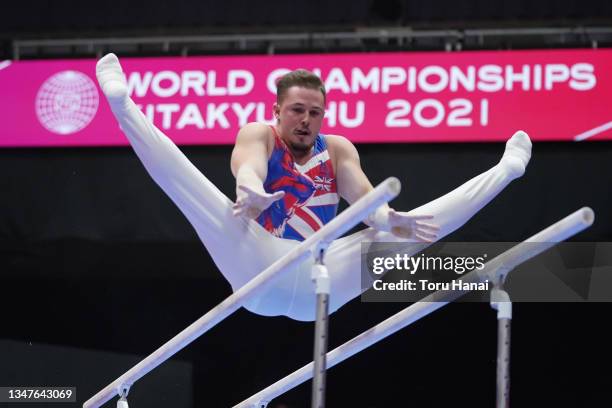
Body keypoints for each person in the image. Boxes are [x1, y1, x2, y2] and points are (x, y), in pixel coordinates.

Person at [96, 53, 532, 321]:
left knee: (409, 227)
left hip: (322, 276)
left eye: (316, 112)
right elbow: (246, 166)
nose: (306, 120)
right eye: (297, 110)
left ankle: (505, 171)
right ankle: (123, 105)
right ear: (278, 111)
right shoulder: (260, 134)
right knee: (189, 185)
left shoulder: (338, 149)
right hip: (258, 263)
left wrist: (384, 217)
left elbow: (361, 194)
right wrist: (249, 189)